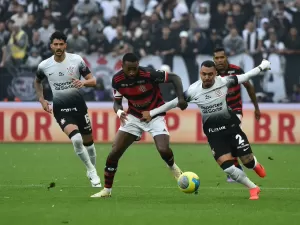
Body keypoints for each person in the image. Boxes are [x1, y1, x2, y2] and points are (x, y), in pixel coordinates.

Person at [142, 60, 269, 200]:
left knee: (247, 161)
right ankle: (253, 188)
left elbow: (246, 76)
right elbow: (173, 103)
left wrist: (262, 66)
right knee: (228, 168)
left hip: (232, 128)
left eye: (210, 74)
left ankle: (255, 164)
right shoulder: (193, 90)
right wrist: (152, 113)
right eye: (204, 74)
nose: (207, 77)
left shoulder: (224, 81)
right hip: (213, 133)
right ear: (200, 73)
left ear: (215, 73)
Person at [91, 53, 188, 198]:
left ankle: (172, 167)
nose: (132, 72)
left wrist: (181, 98)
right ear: (122, 66)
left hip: (155, 116)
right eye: (129, 69)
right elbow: (117, 103)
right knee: (114, 152)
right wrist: (119, 112)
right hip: (134, 117)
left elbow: (175, 78)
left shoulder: (149, 74)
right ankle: (107, 190)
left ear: (138, 65)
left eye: (134, 68)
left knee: (163, 150)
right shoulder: (117, 79)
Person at [34, 31, 101, 187]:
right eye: (55, 44)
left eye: (61, 44)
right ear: (51, 46)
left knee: (89, 144)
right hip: (61, 109)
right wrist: (42, 99)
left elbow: (93, 80)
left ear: (65, 45)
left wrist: (83, 83)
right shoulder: (44, 65)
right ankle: (91, 171)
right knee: (76, 139)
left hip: (79, 107)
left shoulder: (77, 60)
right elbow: (37, 82)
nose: (58, 47)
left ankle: (92, 169)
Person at [213, 47, 261, 183]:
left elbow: (249, 87)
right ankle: (241, 164)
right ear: (213, 60)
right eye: (217, 58)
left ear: (226, 57)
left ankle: (237, 167)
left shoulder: (236, 70)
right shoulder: (211, 74)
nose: (219, 60)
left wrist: (256, 107)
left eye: (222, 57)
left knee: (228, 133)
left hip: (235, 110)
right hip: (218, 113)